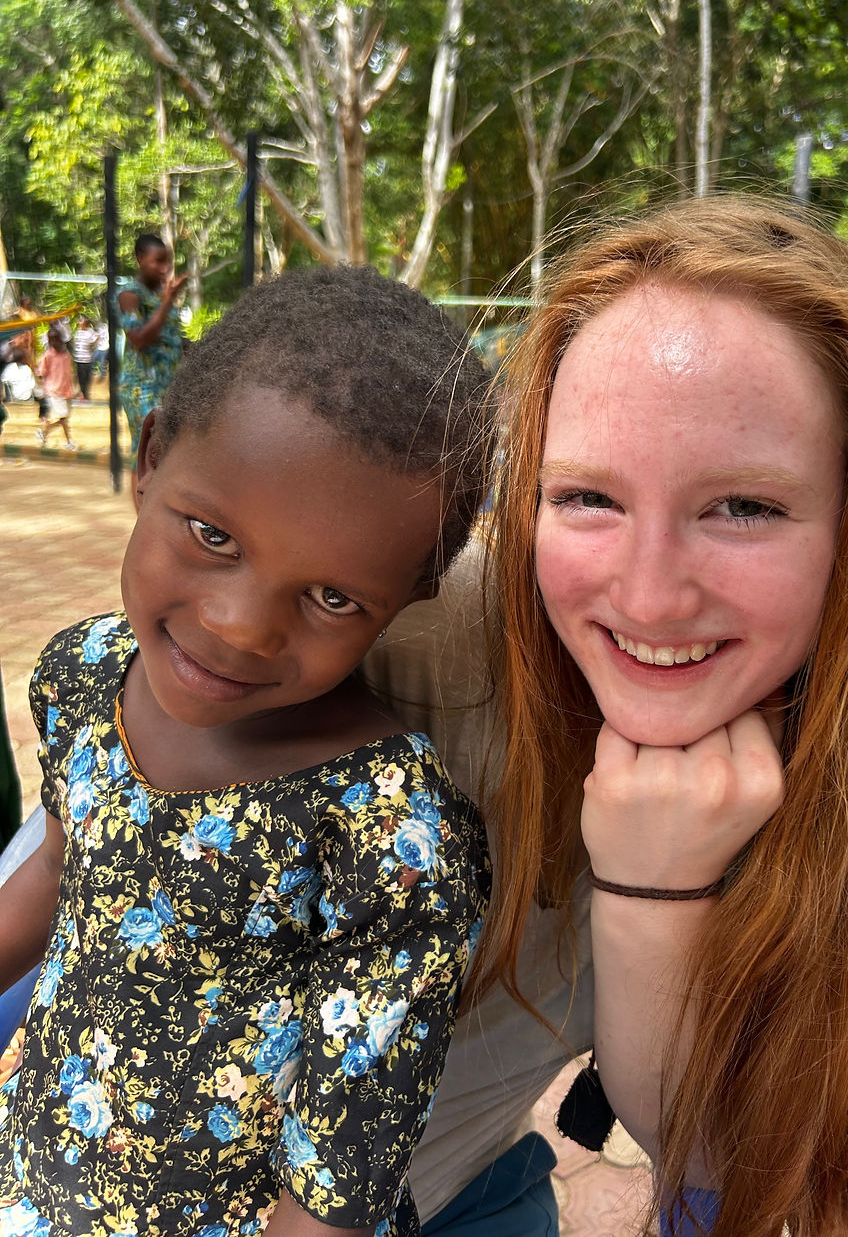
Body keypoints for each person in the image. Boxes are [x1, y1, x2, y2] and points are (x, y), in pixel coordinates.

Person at [368, 195, 848, 1237]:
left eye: (742, 506)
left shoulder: (815, 745)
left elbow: (712, 1176)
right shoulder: (406, 636)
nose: (648, 598)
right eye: (587, 499)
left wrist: (654, 888)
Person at [0, 265, 492, 1237]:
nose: (237, 627)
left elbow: (337, 1185)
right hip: (38, 1178)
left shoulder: (390, 835)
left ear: (413, 590)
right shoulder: (87, 672)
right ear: (147, 460)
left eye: (333, 597)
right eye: (211, 532)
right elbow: (62, 861)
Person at [116, 233, 186, 474]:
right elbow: (140, 339)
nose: (164, 268)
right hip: (141, 389)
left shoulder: (161, 296)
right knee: (145, 453)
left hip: (168, 388)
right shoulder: (129, 295)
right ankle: (143, 510)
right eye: (158, 261)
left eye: (167, 262)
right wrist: (167, 303)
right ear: (140, 259)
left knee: (167, 452)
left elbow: (173, 341)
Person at [34, 329, 76, 451]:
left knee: (64, 418)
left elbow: (69, 372)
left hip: (66, 390)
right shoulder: (49, 355)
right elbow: (42, 372)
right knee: (63, 418)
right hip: (55, 390)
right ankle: (68, 441)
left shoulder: (66, 355)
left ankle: (44, 432)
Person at [70, 315, 98, 401]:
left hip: (87, 359)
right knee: (80, 377)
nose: (79, 323)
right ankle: (83, 393)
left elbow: (96, 338)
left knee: (87, 377)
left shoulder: (90, 332)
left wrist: (92, 346)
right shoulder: (77, 332)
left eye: (81, 321)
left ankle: (85, 393)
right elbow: (74, 342)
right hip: (78, 359)